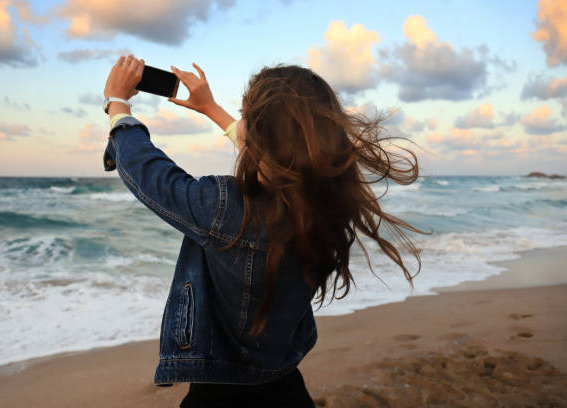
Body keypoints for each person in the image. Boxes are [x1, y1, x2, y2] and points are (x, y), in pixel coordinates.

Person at [102, 54, 425, 407]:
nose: (241, 124)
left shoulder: (225, 207)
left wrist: (117, 105)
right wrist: (211, 109)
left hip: (219, 394)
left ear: (263, 133)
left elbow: (152, 175)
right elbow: (276, 162)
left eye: (246, 117)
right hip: (286, 386)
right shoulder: (323, 204)